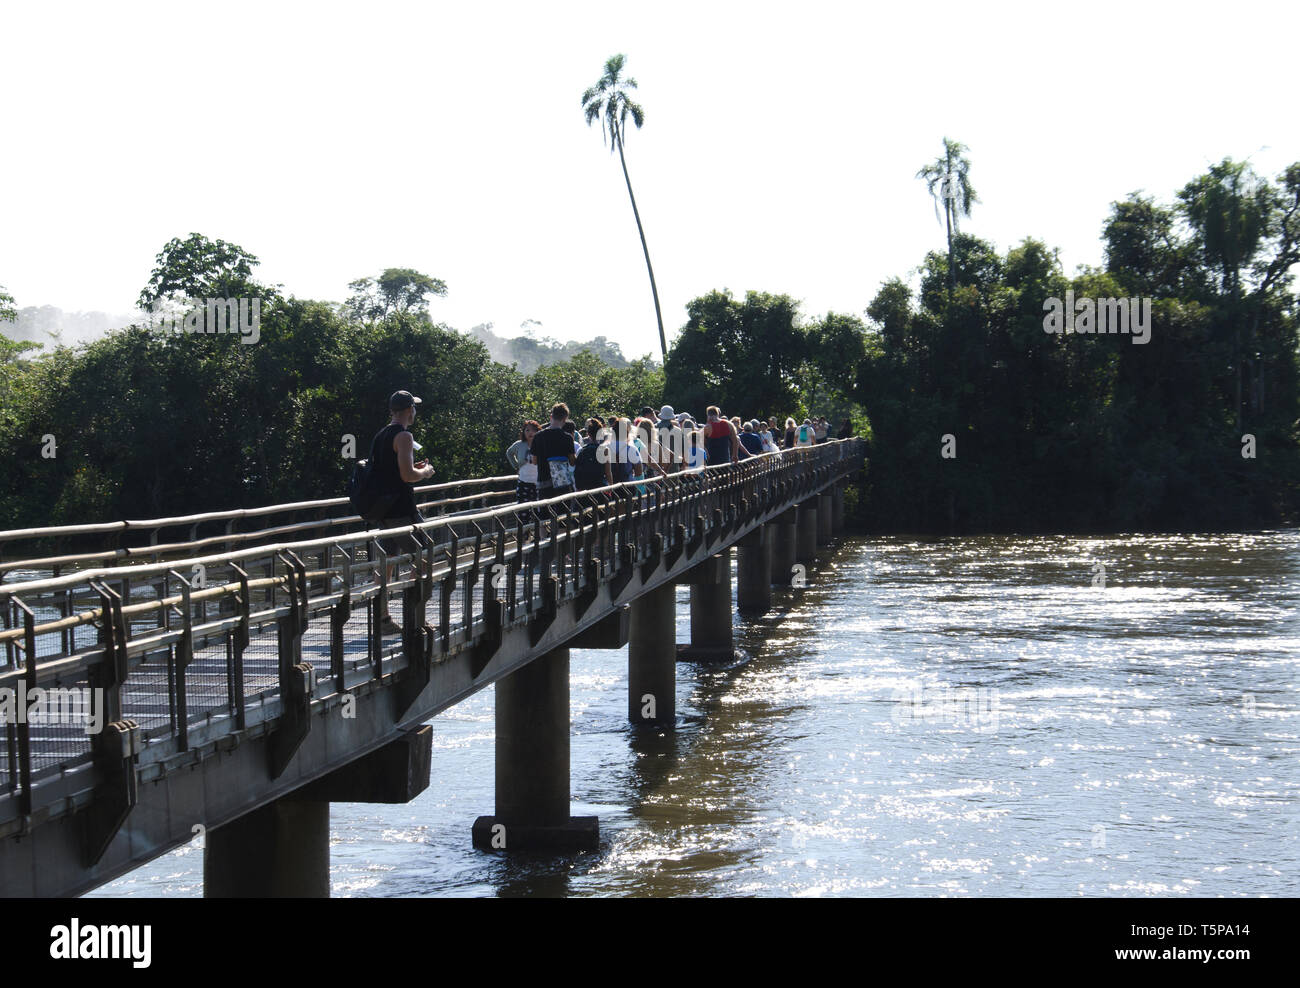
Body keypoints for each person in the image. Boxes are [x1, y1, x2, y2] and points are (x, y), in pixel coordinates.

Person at [371, 390, 435, 636]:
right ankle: (414, 619)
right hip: (401, 510)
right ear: (409, 410)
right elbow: (407, 476)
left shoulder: (381, 435)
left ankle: (383, 618)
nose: (415, 412)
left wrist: (412, 468)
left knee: (386, 562)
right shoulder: (404, 436)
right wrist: (426, 471)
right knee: (425, 555)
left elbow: (392, 470)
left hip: (383, 509)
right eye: (414, 408)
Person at [529, 402, 578, 499]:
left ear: (551, 416)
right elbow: (572, 462)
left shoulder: (538, 436)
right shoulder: (567, 438)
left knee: (545, 513)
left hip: (544, 482)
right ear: (565, 419)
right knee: (564, 512)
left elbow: (534, 461)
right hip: (562, 483)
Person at [507, 420, 540, 502]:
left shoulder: (541, 443)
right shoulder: (519, 444)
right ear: (523, 432)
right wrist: (516, 466)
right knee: (523, 510)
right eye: (527, 430)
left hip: (538, 482)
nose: (530, 432)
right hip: (523, 481)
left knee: (538, 510)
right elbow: (509, 453)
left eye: (533, 430)